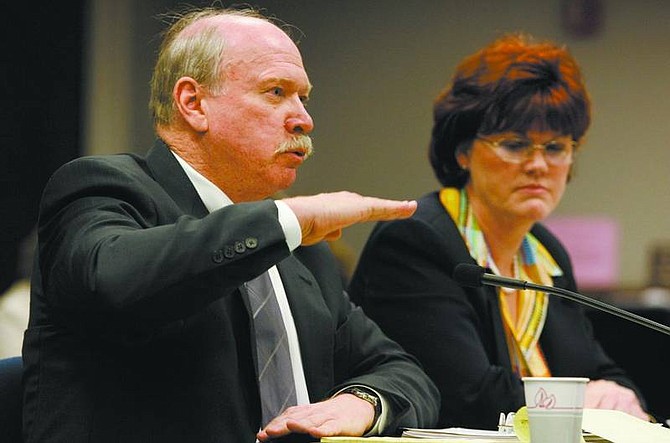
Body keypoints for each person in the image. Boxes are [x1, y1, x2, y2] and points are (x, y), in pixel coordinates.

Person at [22, 7, 439, 442]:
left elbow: (404, 372)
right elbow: (111, 280)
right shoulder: (103, 188)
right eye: (276, 92)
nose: (304, 119)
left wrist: (361, 402)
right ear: (193, 103)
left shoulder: (300, 250)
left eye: (304, 98)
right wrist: (289, 219)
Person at [349, 33, 648, 430]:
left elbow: (600, 371)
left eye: (555, 147)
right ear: (463, 151)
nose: (539, 164)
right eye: (515, 144)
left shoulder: (545, 254)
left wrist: (620, 394)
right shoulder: (415, 240)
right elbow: (465, 394)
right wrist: (585, 401)